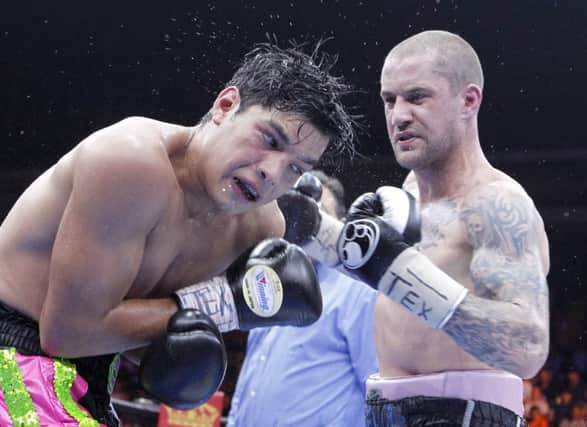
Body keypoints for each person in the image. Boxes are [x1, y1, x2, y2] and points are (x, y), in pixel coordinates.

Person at [0, 43, 357, 426]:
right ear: (225, 106)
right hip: (12, 362)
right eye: (270, 140)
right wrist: (224, 303)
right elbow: (67, 333)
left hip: (91, 379)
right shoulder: (130, 161)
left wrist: (189, 354)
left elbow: (149, 330)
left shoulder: (261, 227)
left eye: (295, 169)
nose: (273, 172)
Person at [280, 30, 550, 426]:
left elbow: (527, 347)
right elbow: (390, 278)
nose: (399, 115)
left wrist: (398, 270)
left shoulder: (496, 203)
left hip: (464, 414)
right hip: (384, 409)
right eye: (389, 100)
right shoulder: (405, 197)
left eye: (417, 97)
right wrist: (317, 232)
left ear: (468, 101)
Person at [227, 171, 379, 427]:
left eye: (315, 214)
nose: (301, 224)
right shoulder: (268, 282)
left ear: (336, 224)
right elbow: (251, 380)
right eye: (293, 211)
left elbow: (376, 390)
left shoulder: (357, 291)